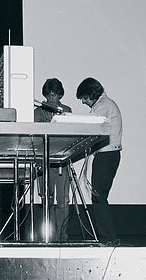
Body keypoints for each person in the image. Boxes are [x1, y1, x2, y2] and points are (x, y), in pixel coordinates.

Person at [76, 77, 122, 245]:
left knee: (98, 198)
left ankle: (107, 239)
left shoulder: (102, 107)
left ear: (92, 94)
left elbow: (89, 128)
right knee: (100, 197)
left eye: (84, 98)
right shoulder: (106, 104)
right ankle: (108, 238)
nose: (83, 101)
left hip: (106, 156)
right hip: (109, 155)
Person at [34, 78, 72, 242]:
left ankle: (62, 237)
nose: (52, 98)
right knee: (46, 199)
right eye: (49, 95)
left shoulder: (66, 110)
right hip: (44, 161)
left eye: (55, 95)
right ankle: (48, 236)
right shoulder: (37, 112)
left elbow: (71, 135)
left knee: (63, 201)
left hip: (62, 161)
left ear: (60, 94)